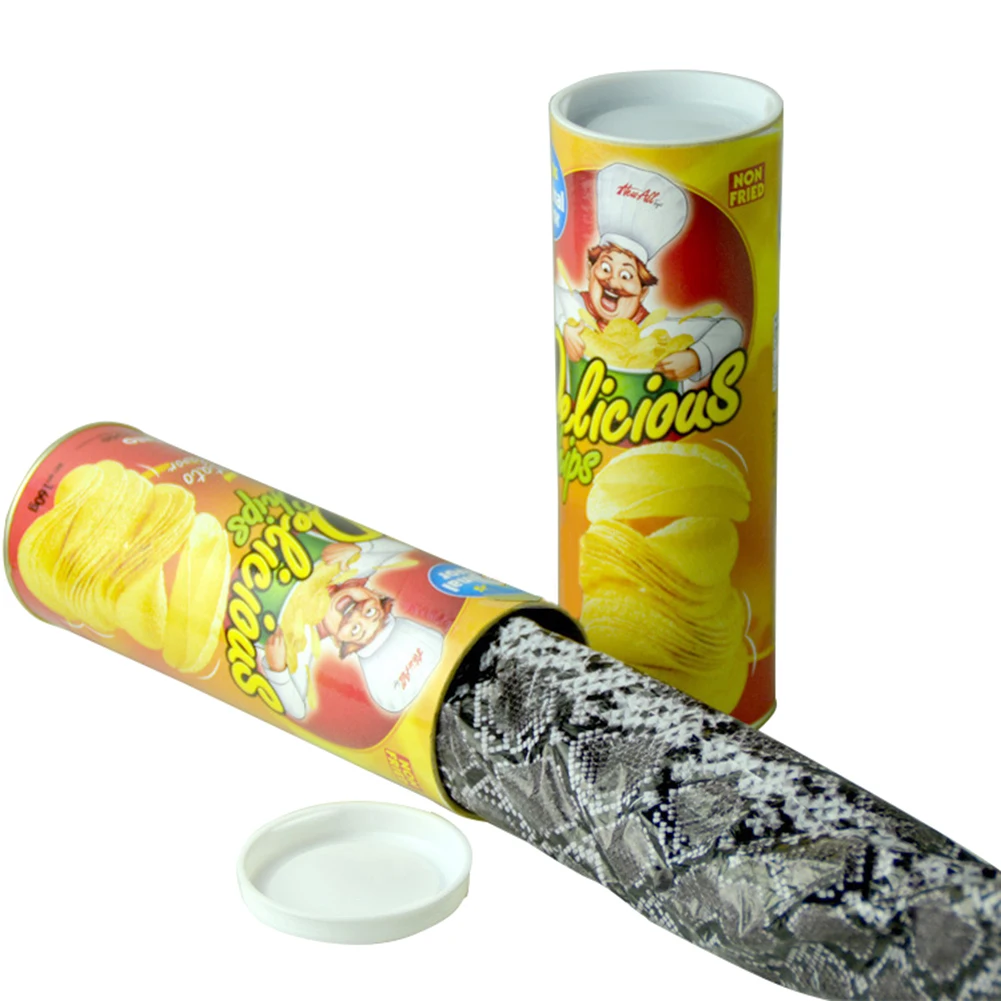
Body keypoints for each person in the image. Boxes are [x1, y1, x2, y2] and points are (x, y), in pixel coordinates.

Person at [555, 162, 743, 393]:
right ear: (589, 270)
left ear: (642, 291)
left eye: (626, 274)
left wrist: (696, 357)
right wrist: (565, 326)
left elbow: (731, 329)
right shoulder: (574, 307)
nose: (612, 282)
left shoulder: (656, 332)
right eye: (605, 267)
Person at [257, 536, 444, 719]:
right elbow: (402, 549)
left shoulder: (301, 637)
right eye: (370, 612)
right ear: (374, 594)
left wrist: (278, 670)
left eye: (355, 630)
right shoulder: (354, 565)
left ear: (339, 641)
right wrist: (362, 548)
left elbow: (297, 710)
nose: (355, 615)